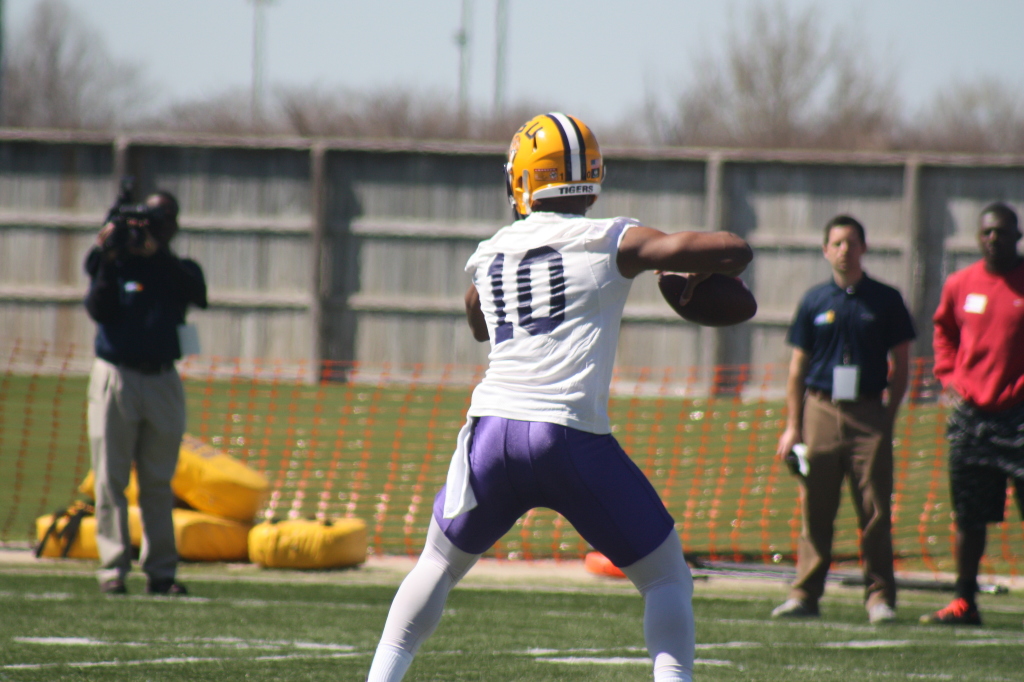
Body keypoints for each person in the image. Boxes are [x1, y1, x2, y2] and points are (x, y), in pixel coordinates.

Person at [365, 112, 752, 682]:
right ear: (591, 176)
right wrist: (687, 279)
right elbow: (731, 249)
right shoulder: (608, 237)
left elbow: (477, 319)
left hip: (491, 435)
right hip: (568, 436)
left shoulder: (490, 251)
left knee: (439, 564)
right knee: (666, 576)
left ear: (521, 179)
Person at [772, 215, 915, 624]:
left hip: (869, 411)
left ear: (864, 248)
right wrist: (793, 425)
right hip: (820, 409)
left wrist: (888, 416)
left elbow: (902, 363)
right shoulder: (814, 300)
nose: (844, 250)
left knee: (874, 511)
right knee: (815, 509)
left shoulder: (886, 299)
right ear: (825, 250)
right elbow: (797, 369)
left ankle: (879, 598)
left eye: (851, 242)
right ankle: (805, 594)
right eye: (836, 243)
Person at [84, 190, 207, 595]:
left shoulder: (174, 267)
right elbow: (98, 308)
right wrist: (111, 257)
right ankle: (113, 569)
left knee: (158, 480)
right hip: (116, 376)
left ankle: (161, 571)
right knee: (110, 478)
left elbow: (197, 293)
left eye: (158, 222)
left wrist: (156, 255)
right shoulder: (113, 261)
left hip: (161, 379)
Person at [922, 203, 1024, 626]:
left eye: (1001, 232)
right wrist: (949, 377)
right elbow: (943, 331)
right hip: (971, 418)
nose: (993, 239)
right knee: (968, 515)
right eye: (986, 233)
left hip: (1019, 416)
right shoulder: (961, 284)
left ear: (1017, 236)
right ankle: (965, 601)